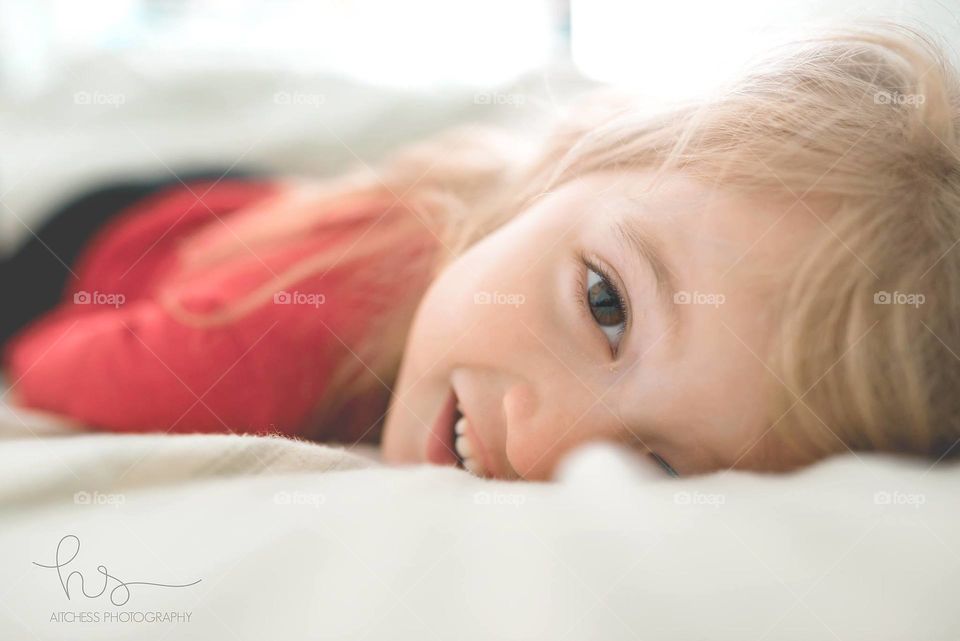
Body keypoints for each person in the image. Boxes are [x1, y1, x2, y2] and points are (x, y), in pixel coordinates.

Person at [4, 23, 959, 480]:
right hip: (122, 233)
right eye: (606, 305)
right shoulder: (266, 352)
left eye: (659, 465)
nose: (545, 442)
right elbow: (47, 361)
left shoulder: (525, 246)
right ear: (563, 162)